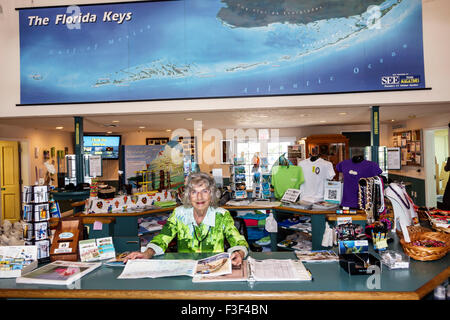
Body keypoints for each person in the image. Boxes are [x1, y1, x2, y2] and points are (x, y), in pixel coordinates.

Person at [124, 172, 249, 266]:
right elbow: (162, 238)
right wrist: (147, 253)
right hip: (185, 268)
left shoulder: (222, 215)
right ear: (188, 196)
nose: (199, 197)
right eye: (194, 192)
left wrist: (239, 253)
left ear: (211, 195)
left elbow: (238, 241)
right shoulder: (179, 214)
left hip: (214, 269)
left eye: (204, 191)